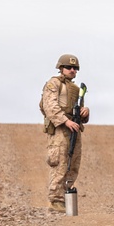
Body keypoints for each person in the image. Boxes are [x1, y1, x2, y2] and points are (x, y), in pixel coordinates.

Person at [39, 53, 90, 212]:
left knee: (73, 164)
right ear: (61, 68)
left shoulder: (76, 89)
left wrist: (85, 113)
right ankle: (55, 200)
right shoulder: (53, 84)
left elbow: (80, 112)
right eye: (69, 67)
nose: (72, 70)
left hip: (74, 128)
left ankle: (66, 198)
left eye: (75, 68)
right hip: (60, 128)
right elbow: (50, 106)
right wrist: (65, 121)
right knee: (60, 163)